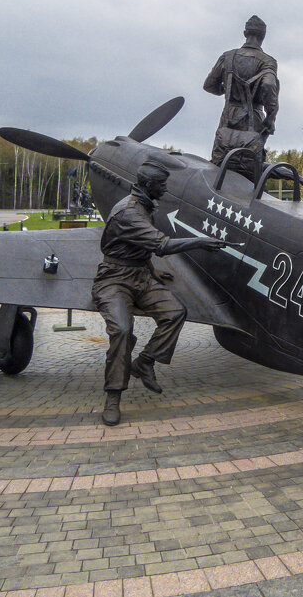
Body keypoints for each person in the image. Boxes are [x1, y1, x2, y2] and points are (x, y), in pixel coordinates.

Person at [93, 158, 230, 426]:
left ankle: (144, 362)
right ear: (146, 185)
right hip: (114, 280)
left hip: (141, 276)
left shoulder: (144, 205)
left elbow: (138, 249)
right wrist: (200, 241)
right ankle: (113, 397)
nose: (165, 190)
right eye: (161, 185)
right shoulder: (129, 213)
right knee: (121, 330)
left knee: (175, 312)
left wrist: (154, 274)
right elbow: (161, 245)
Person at [203, 15, 279, 179]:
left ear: (245, 33)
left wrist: (226, 89)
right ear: (263, 36)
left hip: (227, 120)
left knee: (219, 173)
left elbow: (209, 85)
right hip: (254, 124)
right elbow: (268, 85)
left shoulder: (227, 57)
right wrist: (271, 116)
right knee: (248, 178)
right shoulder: (268, 62)